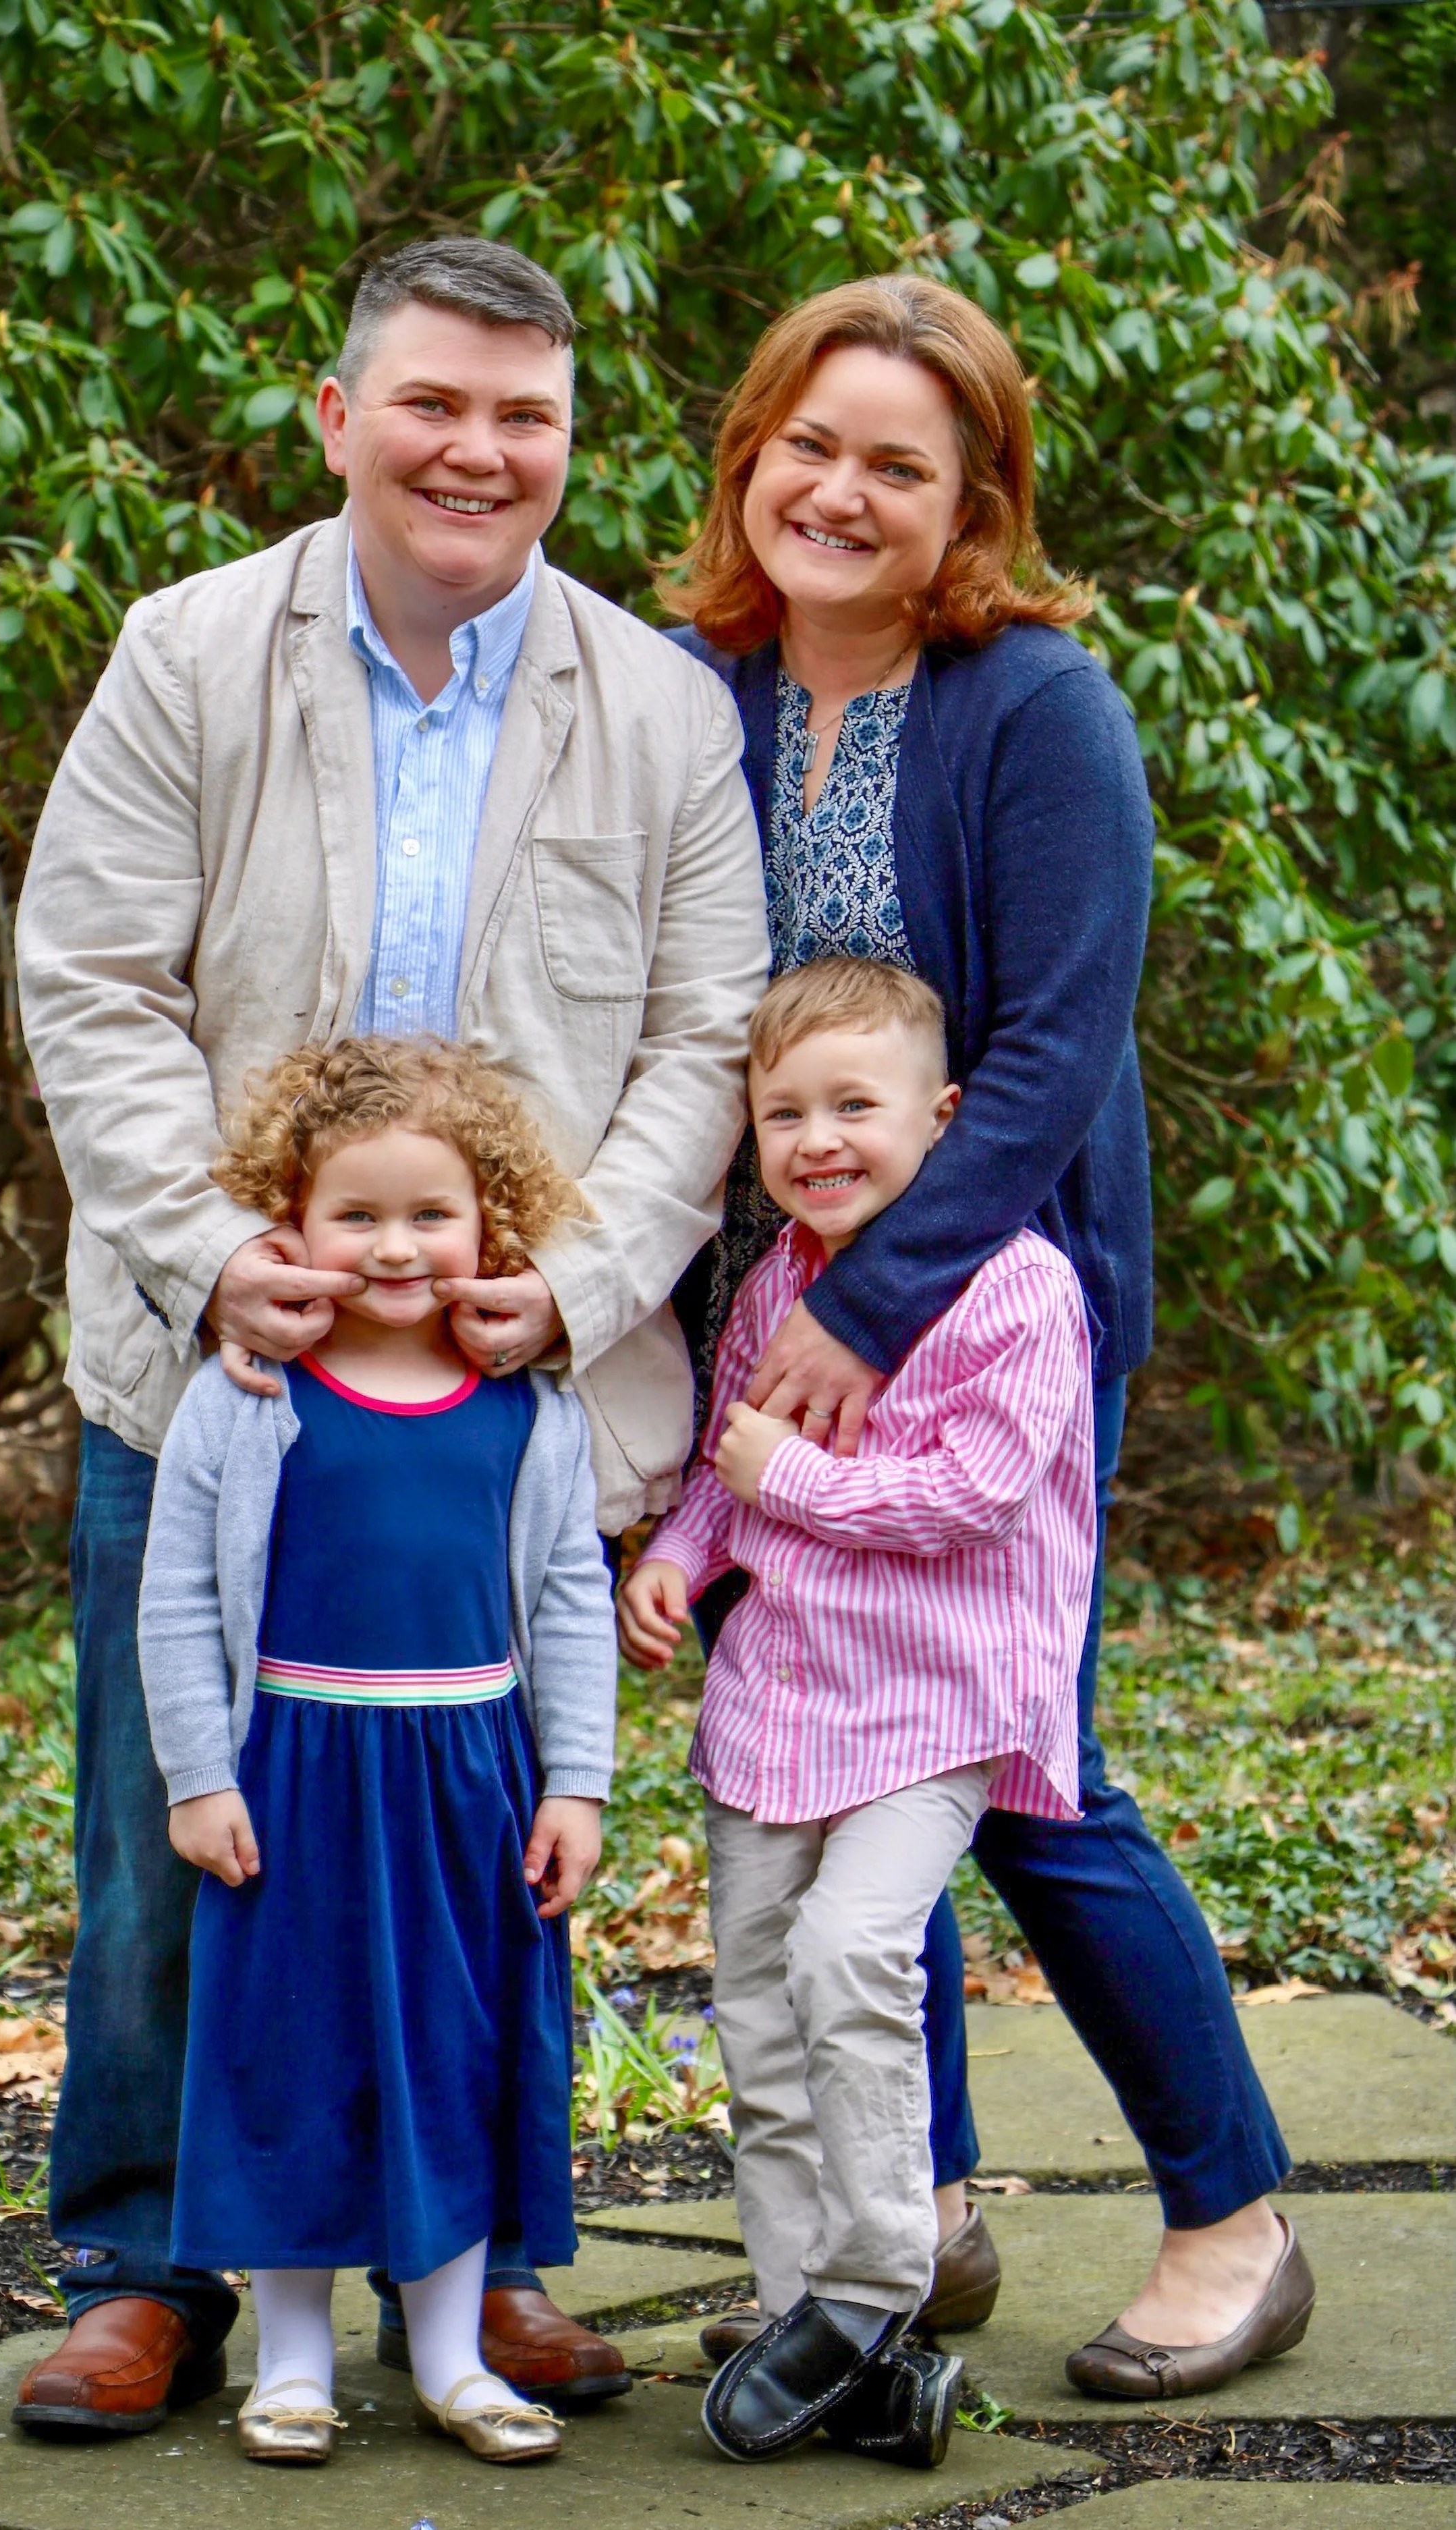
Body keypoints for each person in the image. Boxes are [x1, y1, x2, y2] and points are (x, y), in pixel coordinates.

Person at [13, 234, 769, 2435]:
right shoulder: (187, 657)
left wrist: (596, 1269)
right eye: (435, 403)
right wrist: (196, 1244)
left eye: (524, 414)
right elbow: (91, 978)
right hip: (221, 1372)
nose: (480, 448)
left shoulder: (655, 704)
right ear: (344, 420)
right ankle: (151, 2257)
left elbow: (709, 1035)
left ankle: (477, 2243)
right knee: (180, 1824)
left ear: (565, 442)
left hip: (497, 1403)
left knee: (469, 1840)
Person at [663, 273, 1312, 2400]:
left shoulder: (1038, 708)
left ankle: (1234, 2217)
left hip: (989, 1326)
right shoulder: (689, 688)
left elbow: (1047, 1055)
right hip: (751, 1330)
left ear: (973, 506)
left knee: (1015, 1773)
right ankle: (908, 2203)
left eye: (901, 465)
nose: (839, 491)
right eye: (810, 442)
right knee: (834, 1758)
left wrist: (869, 1302)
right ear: (750, 448)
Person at [620, 958, 1109, 2465]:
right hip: (774, 1705)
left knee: (849, 1952)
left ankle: (882, 2269)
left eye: (854, 1105)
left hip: (933, 1707)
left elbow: (965, 1498)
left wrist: (784, 1483)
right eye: (784, 1112)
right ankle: (815, 2334)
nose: (817, 1138)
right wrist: (682, 1550)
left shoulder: (1019, 1290)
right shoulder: (773, 1287)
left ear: (943, 1116)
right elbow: (723, 1455)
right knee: (757, 2014)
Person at [136, 1037, 614, 2468]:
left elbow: (569, 1602)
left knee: (456, 2061)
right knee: (292, 2060)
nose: (395, 1243)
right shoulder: (248, 1399)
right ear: (290, 1220)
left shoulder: (531, 1410)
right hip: (294, 1775)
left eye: (430, 1212)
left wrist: (575, 1781)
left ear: (491, 1224)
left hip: (469, 1781)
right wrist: (197, 1777)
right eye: (356, 1213)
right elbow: (174, 1597)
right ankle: (287, 2361)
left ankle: (453, 2354)